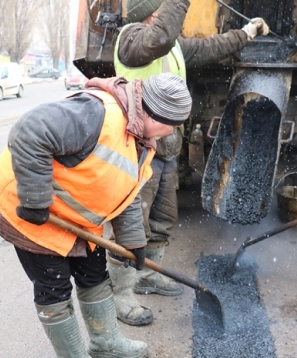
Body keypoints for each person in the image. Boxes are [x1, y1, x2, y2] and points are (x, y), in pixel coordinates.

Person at [0, 73, 192, 358]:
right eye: (171, 125)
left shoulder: (141, 140)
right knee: (54, 286)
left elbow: (126, 193)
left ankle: (105, 342)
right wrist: (36, 199)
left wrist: (133, 243)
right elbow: (29, 130)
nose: (172, 133)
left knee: (94, 273)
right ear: (153, 114)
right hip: (29, 211)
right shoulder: (98, 113)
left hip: (74, 215)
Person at [108, 0, 270, 326]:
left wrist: (247, 33)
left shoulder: (173, 46)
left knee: (162, 219)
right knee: (131, 223)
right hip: (139, 146)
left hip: (167, 146)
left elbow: (211, 46)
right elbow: (161, 37)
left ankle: (148, 275)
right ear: (152, 13)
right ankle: (121, 295)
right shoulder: (133, 39)